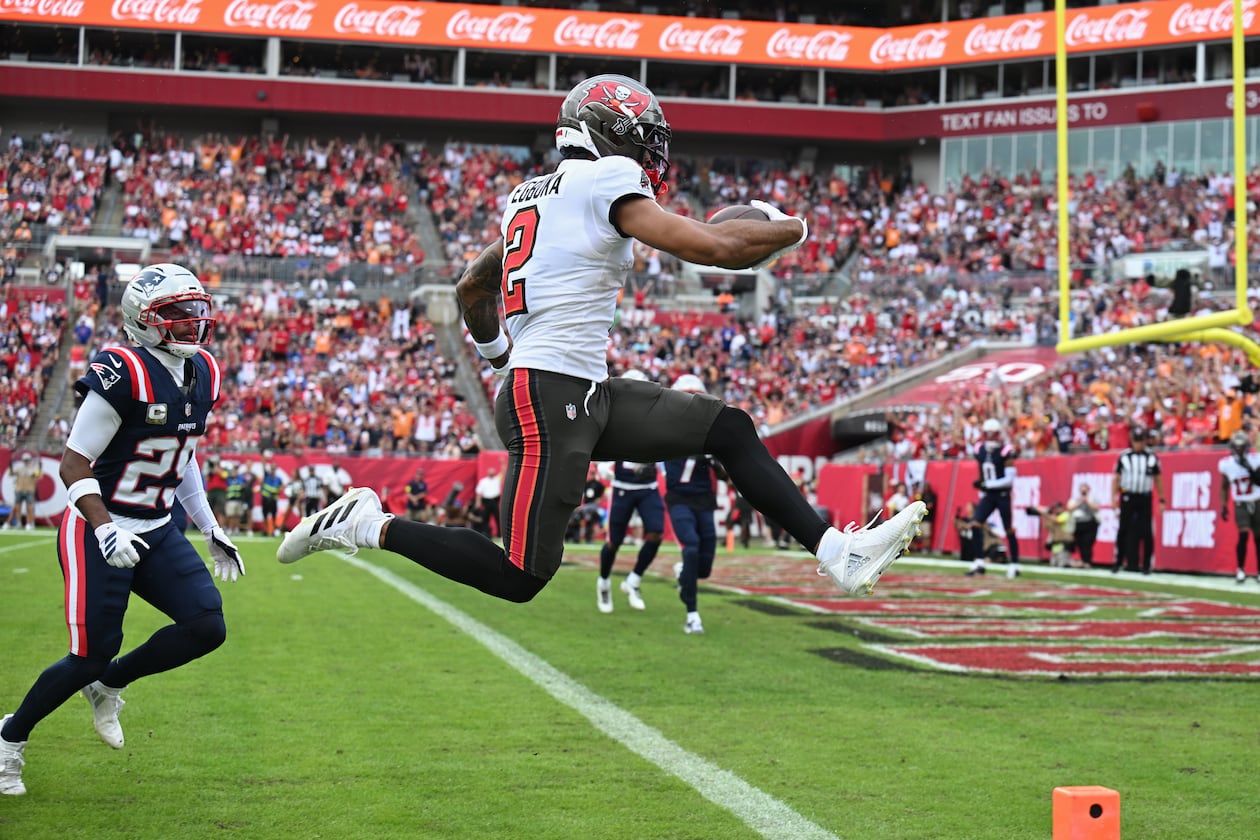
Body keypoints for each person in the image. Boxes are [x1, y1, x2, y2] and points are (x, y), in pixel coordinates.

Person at [276, 74, 926, 612]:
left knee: (726, 428)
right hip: (552, 395)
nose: (649, 155)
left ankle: (839, 554)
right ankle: (367, 523)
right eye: (643, 140)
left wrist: (502, 360)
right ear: (607, 133)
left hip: (578, 392)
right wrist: (795, 228)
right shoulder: (603, 178)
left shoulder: (530, 198)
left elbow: (474, 285)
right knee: (520, 577)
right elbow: (717, 249)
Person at [0, 263, 243, 797]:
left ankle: (111, 684)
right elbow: (72, 463)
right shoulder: (123, 368)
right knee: (89, 652)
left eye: (197, 312)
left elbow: (182, 454)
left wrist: (208, 524)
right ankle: (9, 739)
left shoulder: (203, 370)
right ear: (145, 321)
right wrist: (105, 528)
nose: (194, 324)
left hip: (156, 526)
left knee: (206, 625)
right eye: (177, 315)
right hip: (98, 526)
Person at [596, 370, 666, 613]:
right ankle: (603, 582)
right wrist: (605, 466)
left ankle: (634, 580)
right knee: (614, 541)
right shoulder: (613, 414)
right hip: (623, 486)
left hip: (648, 486)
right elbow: (600, 441)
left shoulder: (654, 415)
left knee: (656, 532)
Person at [663, 374, 726, 634]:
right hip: (679, 499)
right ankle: (692, 615)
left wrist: (716, 462)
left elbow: (725, 474)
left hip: (703, 500)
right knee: (691, 549)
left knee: (704, 567)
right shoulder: (665, 430)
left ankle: (684, 578)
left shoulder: (710, 433)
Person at [966, 418, 1021, 578]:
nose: (990, 438)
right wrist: (983, 486)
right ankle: (979, 563)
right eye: (987, 434)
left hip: (1003, 494)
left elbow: (1010, 478)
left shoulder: (1006, 451)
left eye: (993, 434)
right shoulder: (979, 449)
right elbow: (982, 470)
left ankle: (1015, 565)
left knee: (1008, 529)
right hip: (989, 495)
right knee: (975, 524)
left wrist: (987, 485)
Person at [1113, 425, 1164, 574]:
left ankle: (1147, 565)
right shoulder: (1124, 457)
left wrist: (1162, 499)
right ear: (1132, 441)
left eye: (1141, 441)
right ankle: (1118, 562)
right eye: (1136, 441)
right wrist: (1113, 497)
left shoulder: (1151, 457)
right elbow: (1116, 478)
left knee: (1147, 532)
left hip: (1144, 496)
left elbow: (1158, 479)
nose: (1139, 444)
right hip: (1128, 495)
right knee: (1123, 529)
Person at [1218, 429, 1260, 583]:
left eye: (1242, 447)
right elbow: (1224, 486)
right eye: (1237, 447)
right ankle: (1240, 569)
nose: (1240, 450)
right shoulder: (1227, 464)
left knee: (1258, 538)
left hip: (1257, 501)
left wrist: (1248, 467)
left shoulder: (1255, 459)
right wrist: (1223, 505)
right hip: (1240, 503)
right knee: (1243, 535)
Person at [4, 452, 41, 530]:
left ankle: (28, 523)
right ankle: (17, 522)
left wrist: (40, 467)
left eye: (27, 460)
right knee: (16, 508)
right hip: (19, 490)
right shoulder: (19, 468)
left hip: (29, 490)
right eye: (25, 460)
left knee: (29, 508)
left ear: (30, 460)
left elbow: (38, 476)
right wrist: (11, 466)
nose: (26, 461)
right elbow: (11, 473)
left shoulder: (33, 469)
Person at [1067, 482, 1101, 566]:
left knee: (1087, 542)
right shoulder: (1075, 499)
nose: (1083, 492)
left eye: (1085, 490)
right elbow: (1069, 508)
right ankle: (1083, 560)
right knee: (1080, 543)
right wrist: (1080, 502)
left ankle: (1087, 561)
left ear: (1088, 490)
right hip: (1078, 523)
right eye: (1082, 490)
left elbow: (1096, 508)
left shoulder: (1092, 498)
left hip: (1090, 523)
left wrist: (1087, 501)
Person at [473, 466, 503, 538]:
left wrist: (502, 463)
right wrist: (478, 502)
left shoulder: (497, 479)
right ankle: (486, 533)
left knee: (497, 518)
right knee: (485, 518)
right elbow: (479, 492)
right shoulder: (483, 481)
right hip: (486, 501)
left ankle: (499, 534)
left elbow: (503, 472)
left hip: (495, 501)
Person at [259, 461, 284, 537]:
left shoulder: (278, 478)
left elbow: (281, 487)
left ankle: (273, 530)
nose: (273, 469)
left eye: (274, 467)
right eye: (272, 467)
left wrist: (278, 491)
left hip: (273, 499)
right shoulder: (267, 475)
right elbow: (263, 467)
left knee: (273, 515)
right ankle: (265, 530)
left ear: (276, 469)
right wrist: (264, 459)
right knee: (265, 514)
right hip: (266, 498)